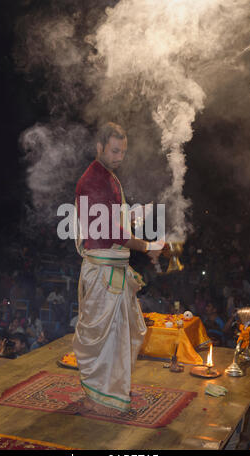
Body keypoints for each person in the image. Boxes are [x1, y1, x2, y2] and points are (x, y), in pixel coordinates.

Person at [73, 122, 164, 416]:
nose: (120, 157)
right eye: (114, 150)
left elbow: (117, 222)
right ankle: (100, 399)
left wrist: (136, 215)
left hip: (113, 270)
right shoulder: (93, 180)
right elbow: (111, 232)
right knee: (103, 340)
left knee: (119, 337)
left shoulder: (109, 177)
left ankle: (108, 395)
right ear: (99, 147)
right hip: (102, 274)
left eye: (123, 151)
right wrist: (147, 247)